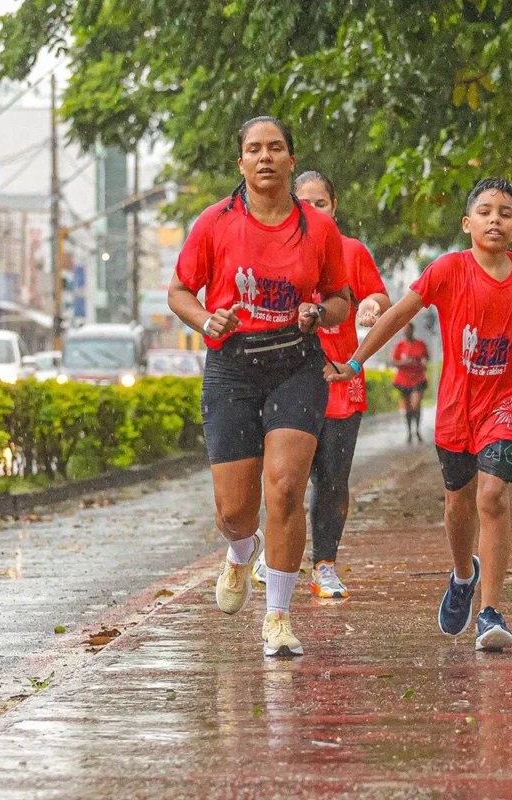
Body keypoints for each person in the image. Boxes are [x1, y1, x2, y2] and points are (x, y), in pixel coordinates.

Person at [327, 178, 512, 651]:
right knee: (458, 504)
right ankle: (462, 574)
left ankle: (490, 613)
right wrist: (354, 361)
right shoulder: (447, 270)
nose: (495, 219)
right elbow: (397, 316)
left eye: (506, 213)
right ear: (468, 223)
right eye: (485, 211)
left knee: (492, 496)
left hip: (509, 402)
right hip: (456, 408)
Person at [167, 117, 351, 658]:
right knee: (234, 511)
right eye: (254, 149)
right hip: (233, 366)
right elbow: (180, 291)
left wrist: (319, 311)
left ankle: (277, 617)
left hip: (296, 363)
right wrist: (205, 321)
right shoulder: (215, 222)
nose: (265, 157)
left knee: (287, 487)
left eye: (276, 148)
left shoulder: (318, 229)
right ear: (240, 163)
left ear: (292, 161)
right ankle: (240, 551)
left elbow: (340, 297)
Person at [252, 171, 391, 599]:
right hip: (289, 378)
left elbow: (381, 298)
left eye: (322, 204)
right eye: (305, 202)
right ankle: (271, 555)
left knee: (332, 480)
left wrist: (370, 304)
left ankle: (324, 565)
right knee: (286, 478)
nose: (313, 211)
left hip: (340, 380)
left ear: (335, 208)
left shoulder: (352, 251)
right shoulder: (274, 249)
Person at [392, 323, 430, 443]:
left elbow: (426, 357)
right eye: (405, 330)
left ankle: (417, 430)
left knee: (416, 405)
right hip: (403, 380)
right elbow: (394, 361)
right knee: (407, 407)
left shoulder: (420, 344)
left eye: (408, 330)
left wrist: (422, 362)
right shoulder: (400, 345)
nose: (406, 332)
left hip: (418, 379)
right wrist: (404, 362)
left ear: (412, 331)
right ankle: (409, 432)